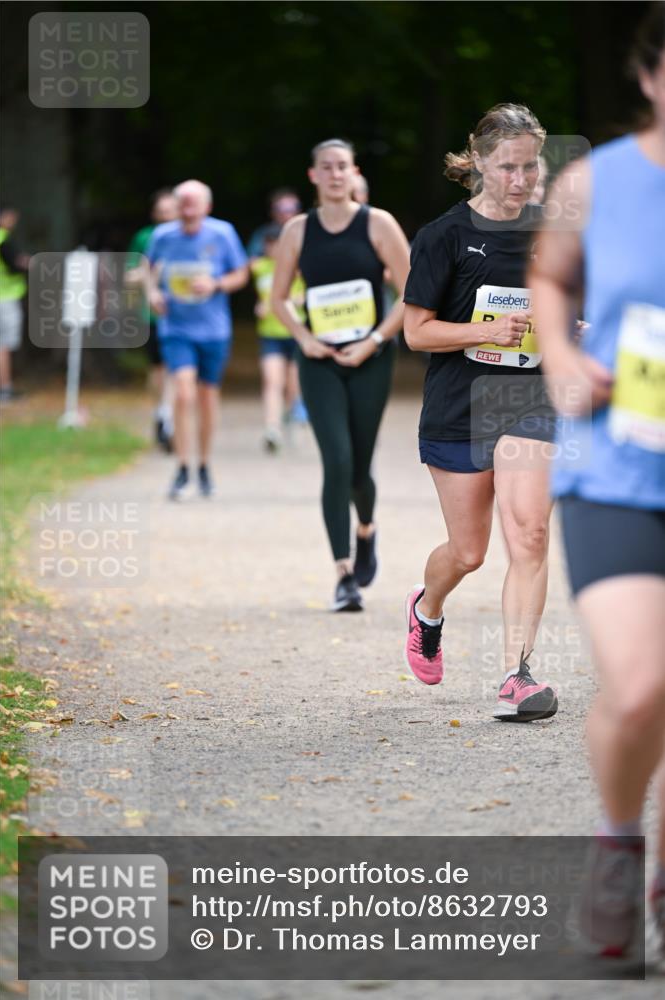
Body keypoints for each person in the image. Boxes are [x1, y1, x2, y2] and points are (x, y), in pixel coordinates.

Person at [530, 1, 665, 958]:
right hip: (619, 465)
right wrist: (561, 363)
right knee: (641, 684)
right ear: (650, 75)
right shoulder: (592, 181)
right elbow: (549, 277)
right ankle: (619, 843)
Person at [402, 104, 559, 723]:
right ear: (479, 162)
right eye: (507, 167)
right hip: (460, 406)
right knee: (469, 552)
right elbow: (416, 332)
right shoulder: (443, 235)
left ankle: (517, 676)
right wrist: (483, 328)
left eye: (530, 166)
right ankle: (427, 609)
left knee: (531, 534)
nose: (520, 179)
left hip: (530, 399)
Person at [272, 138, 411, 611]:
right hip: (320, 361)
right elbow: (278, 298)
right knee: (336, 459)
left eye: (343, 167)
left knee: (359, 464)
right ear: (313, 175)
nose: (335, 174)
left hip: (371, 358)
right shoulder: (296, 231)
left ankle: (366, 530)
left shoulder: (378, 224)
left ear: (355, 173)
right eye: (326, 167)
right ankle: (343, 573)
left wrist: (374, 340)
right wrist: (303, 338)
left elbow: (414, 294)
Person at [147, 179, 249, 500]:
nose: (188, 208)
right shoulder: (162, 236)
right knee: (182, 392)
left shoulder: (222, 233)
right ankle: (181, 467)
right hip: (176, 329)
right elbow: (148, 270)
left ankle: (203, 464)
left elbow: (241, 274)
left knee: (206, 396)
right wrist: (152, 294)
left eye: (194, 202)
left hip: (214, 330)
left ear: (207, 206)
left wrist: (216, 284)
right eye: (183, 202)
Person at [126, 188, 179, 450]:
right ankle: (162, 411)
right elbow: (129, 274)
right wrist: (148, 273)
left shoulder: (188, 234)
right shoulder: (145, 237)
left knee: (177, 368)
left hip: (181, 315)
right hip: (152, 315)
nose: (167, 218)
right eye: (162, 213)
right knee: (158, 370)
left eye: (171, 212)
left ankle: (169, 418)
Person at [250, 223, 306, 452]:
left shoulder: (300, 268)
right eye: (270, 244)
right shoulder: (259, 267)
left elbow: (310, 290)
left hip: (296, 332)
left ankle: (291, 413)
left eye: (278, 244)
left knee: (293, 385)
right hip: (270, 333)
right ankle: (271, 429)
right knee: (272, 381)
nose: (273, 249)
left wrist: (300, 299)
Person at [0, 205, 29, 403]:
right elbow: (16, 264)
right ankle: (5, 388)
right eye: (10, 217)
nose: (13, 221)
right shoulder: (3, 240)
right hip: (5, 298)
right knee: (3, 345)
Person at [247, 188, 302, 259]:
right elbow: (251, 261)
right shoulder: (263, 234)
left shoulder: (308, 231)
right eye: (282, 208)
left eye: (292, 208)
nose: (287, 213)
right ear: (272, 212)